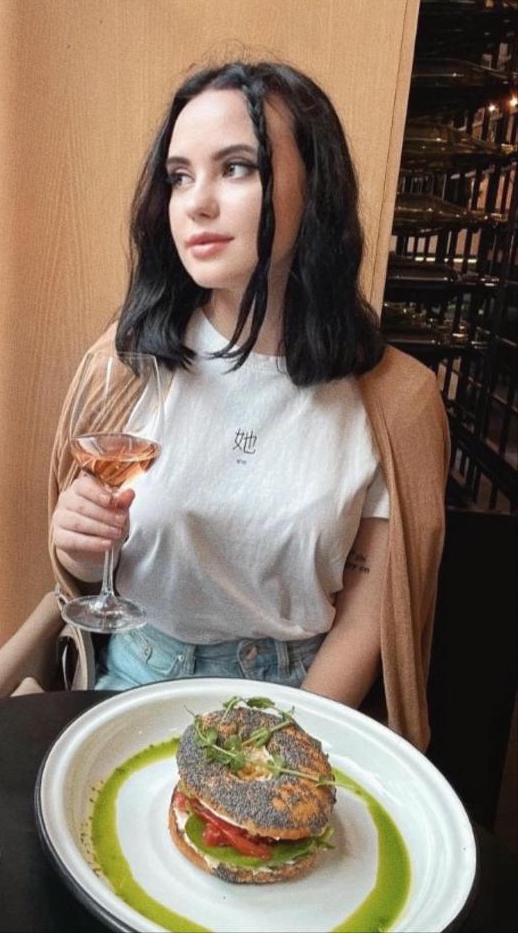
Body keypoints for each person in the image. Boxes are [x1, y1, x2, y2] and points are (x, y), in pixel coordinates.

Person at [47, 61, 449, 751]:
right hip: (134, 680)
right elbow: (90, 579)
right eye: (179, 177)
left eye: (236, 168)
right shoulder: (125, 364)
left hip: (296, 698)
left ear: (314, 186)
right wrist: (77, 544)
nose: (196, 204)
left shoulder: (392, 402)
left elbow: (366, 620)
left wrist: (279, 744)